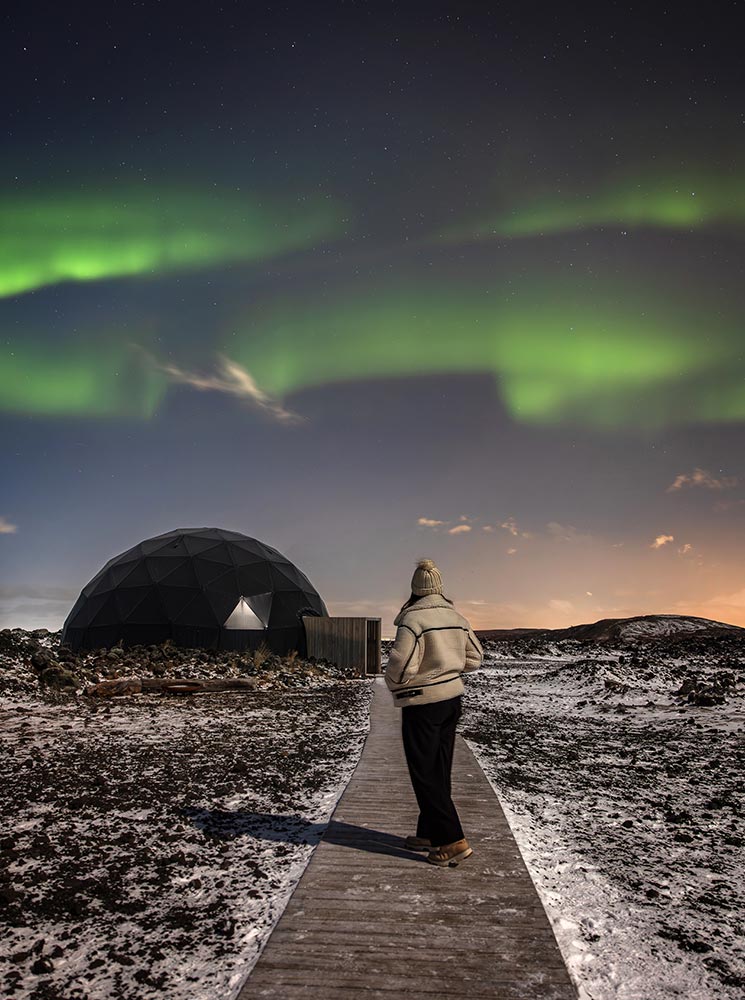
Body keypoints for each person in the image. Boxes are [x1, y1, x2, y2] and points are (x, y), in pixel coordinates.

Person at [384, 557, 484, 867]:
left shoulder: (413, 621)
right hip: (452, 700)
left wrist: (397, 682)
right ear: (439, 588)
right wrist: (447, 671)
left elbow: (400, 666)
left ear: (414, 589)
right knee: (439, 768)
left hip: (422, 703)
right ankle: (430, 831)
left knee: (425, 773)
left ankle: (451, 840)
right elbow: (475, 658)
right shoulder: (456, 616)